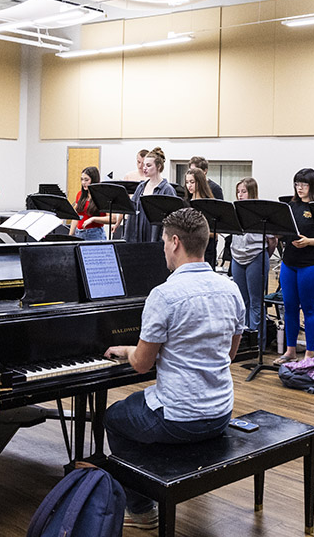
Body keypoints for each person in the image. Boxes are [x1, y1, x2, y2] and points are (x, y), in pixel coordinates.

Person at [104, 208, 245, 529]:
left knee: (113, 418)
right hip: (221, 410)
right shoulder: (231, 288)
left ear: (176, 242)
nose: (163, 248)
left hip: (179, 418)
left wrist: (125, 350)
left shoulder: (164, 295)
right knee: (137, 410)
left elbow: (141, 364)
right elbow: (231, 353)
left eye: (165, 242)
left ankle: (140, 508)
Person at [275, 168, 314, 364]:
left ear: (313, 186)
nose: (299, 188)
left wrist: (310, 241)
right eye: (297, 184)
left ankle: (310, 353)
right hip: (289, 263)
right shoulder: (291, 206)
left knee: (309, 309)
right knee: (290, 307)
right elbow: (284, 232)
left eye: (304, 184)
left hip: (312, 264)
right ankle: (290, 350)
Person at [229, 177, 273, 333]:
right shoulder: (235, 210)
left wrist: (263, 256)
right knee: (242, 300)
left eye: (244, 192)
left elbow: (272, 240)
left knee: (256, 301)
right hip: (237, 257)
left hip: (256, 256)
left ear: (252, 192)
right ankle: (245, 336)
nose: (240, 195)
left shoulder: (260, 212)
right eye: (238, 192)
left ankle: (257, 341)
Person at [124, 147, 177, 243]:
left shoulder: (167, 189)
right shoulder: (141, 187)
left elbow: (172, 220)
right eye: (144, 165)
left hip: (156, 237)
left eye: (148, 165)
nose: (144, 168)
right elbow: (132, 212)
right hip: (139, 235)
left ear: (159, 167)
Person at [184, 167, 218, 266]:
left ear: (200, 182)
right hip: (189, 249)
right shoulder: (186, 203)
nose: (189, 185)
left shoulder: (209, 204)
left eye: (192, 182)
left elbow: (215, 233)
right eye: (187, 182)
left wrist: (196, 232)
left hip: (206, 249)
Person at [70, 166, 108, 241]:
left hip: (95, 234)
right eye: (82, 180)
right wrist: (70, 235)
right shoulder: (80, 194)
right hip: (79, 233)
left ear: (94, 180)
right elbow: (76, 217)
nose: (83, 183)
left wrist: (93, 219)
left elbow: (112, 219)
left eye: (86, 180)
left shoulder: (102, 197)